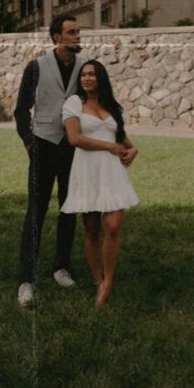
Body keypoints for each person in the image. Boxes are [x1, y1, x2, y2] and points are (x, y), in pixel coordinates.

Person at [15, 13, 82, 309]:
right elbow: (20, 110)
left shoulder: (85, 68)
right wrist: (30, 143)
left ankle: (60, 267)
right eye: (72, 32)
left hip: (72, 148)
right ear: (57, 37)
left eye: (78, 32)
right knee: (36, 212)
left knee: (69, 209)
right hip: (42, 146)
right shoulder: (36, 67)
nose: (78, 36)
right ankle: (25, 279)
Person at [61, 59, 138, 305]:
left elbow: (119, 135)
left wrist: (133, 149)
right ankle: (97, 282)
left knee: (113, 226)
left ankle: (108, 282)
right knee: (92, 229)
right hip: (86, 170)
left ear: (100, 78)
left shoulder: (113, 106)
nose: (87, 78)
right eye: (83, 74)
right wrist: (110, 146)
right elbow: (74, 138)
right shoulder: (74, 103)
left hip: (112, 171)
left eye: (92, 74)